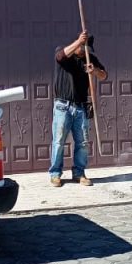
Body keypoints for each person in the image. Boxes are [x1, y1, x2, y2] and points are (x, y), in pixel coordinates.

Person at [49, 30, 107, 187]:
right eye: (84, 48)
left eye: (87, 50)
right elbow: (59, 56)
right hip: (63, 105)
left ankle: (79, 173)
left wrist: (94, 71)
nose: (85, 52)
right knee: (59, 141)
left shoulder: (90, 59)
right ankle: (55, 174)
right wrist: (79, 42)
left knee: (83, 142)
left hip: (81, 106)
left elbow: (104, 75)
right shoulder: (65, 53)